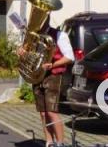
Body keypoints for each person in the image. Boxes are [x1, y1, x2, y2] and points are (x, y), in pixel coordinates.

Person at [21, 14, 74, 147]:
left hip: (53, 75)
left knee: (52, 112)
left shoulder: (59, 35)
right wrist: (21, 51)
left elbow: (70, 57)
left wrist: (53, 65)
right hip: (37, 75)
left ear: (47, 20)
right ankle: (49, 142)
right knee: (43, 113)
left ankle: (60, 143)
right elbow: (24, 51)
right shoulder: (33, 36)